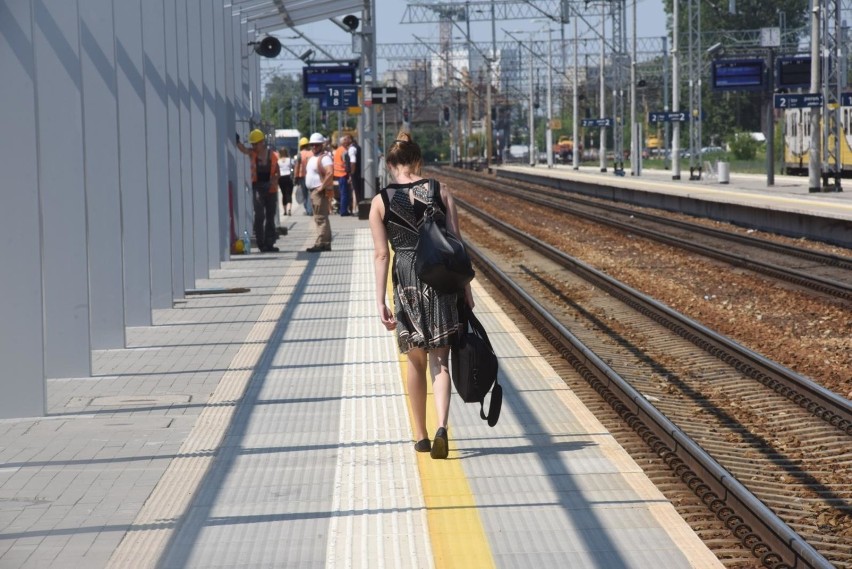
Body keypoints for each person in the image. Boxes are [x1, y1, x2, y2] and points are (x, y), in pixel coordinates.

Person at [368, 130, 474, 459]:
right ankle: (442, 425)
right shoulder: (439, 190)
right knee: (440, 358)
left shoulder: (380, 201)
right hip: (441, 279)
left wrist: (380, 300)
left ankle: (421, 435)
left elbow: (382, 255)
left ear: (390, 164)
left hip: (407, 279)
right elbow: (457, 246)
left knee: (415, 359)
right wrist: (466, 289)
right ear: (417, 160)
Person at [236, 129, 280, 252]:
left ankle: (269, 243)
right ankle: (261, 244)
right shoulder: (252, 154)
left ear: (262, 142)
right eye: (252, 144)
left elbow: (277, 173)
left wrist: (272, 182)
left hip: (271, 189)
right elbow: (243, 149)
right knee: (259, 215)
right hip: (258, 188)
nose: (253, 146)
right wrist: (237, 140)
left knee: (270, 216)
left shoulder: (273, 155)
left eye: (255, 144)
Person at [305, 132, 334, 252]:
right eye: (312, 145)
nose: (314, 147)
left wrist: (322, 187)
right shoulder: (314, 158)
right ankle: (324, 242)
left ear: (322, 145)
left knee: (321, 217)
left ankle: (322, 242)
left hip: (318, 192)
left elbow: (330, 172)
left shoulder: (325, 158)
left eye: (316, 145)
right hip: (313, 191)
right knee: (318, 217)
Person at [292, 137, 313, 216]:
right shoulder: (311, 153)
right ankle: (310, 209)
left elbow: (297, 166)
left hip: (302, 176)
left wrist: (295, 177)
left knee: (305, 194)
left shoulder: (300, 154)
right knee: (310, 193)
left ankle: (308, 210)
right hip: (310, 175)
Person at [333, 135, 352, 216]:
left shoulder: (338, 150)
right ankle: (343, 211)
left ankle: (342, 210)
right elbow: (346, 163)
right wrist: (350, 174)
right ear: (343, 142)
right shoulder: (344, 151)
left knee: (342, 193)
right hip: (343, 174)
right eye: (346, 140)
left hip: (337, 174)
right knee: (344, 194)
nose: (347, 142)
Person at [277, 148, 294, 216]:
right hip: (288, 177)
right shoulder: (290, 160)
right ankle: (289, 209)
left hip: (281, 177)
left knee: (283, 194)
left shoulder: (278, 161)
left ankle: (285, 211)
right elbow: (293, 166)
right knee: (289, 193)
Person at [347, 135, 360, 213]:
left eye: (346, 139)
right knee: (357, 191)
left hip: (355, 173)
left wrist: (352, 174)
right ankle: (356, 208)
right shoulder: (357, 147)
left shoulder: (351, 148)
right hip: (358, 173)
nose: (344, 141)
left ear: (350, 140)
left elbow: (353, 162)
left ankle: (355, 208)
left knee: (355, 191)